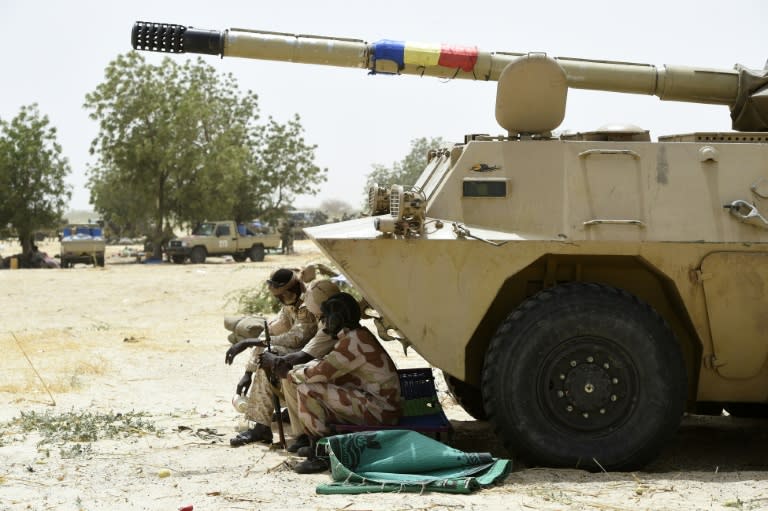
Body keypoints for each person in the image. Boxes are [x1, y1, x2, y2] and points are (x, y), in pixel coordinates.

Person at [284, 292, 402, 474]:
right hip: (381, 406)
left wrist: (290, 373)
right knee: (318, 389)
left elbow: (318, 374)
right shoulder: (357, 335)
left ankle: (321, 454)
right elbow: (328, 365)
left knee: (308, 390)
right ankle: (324, 445)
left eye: (325, 318)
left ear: (337, 319)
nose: (323, 322)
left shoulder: (353, 342)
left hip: (381, 411)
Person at [224, 268, 318, 447]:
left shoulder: (308, 304)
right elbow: (271, 330)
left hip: (316, 353)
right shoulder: (291, 302)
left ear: (292, 290)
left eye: (281, 296)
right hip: (303, 352)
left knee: (270, 354)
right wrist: (248, 371)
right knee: (268, 349)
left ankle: (261, 428)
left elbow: (298, 337)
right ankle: (270, 420)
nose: (280, 300)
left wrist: (251, 342)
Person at [258, 278, 341, 453]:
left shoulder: (334, 327)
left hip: (349, 384)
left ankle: (315, 443)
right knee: (289, 376)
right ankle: (302, 435)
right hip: (337, 374)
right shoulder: (327, 321)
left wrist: (276, 361)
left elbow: (305, 354)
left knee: (294, 378)